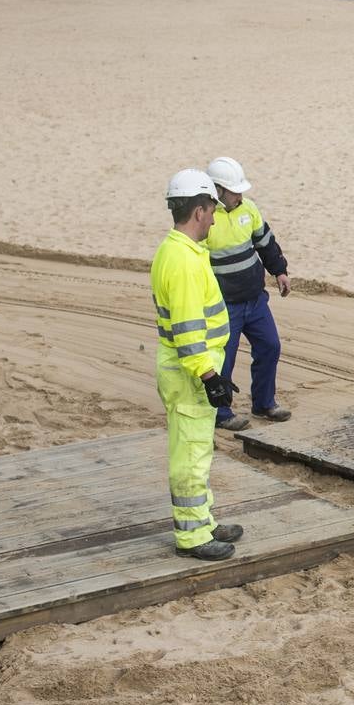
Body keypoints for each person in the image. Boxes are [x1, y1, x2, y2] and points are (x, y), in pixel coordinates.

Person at [152, 169, 243, 561]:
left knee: (199, 449)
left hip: (188, 368)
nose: (214, 220)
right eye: (212, 211)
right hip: (191, 371)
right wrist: (209, 376)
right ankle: (192, 536)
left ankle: (203, 521)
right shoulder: (184, 262)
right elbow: (189, 330)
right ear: (200, 211)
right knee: (190, 453)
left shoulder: (175, 251)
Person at [203, 157, 292, 430]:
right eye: (234, 191)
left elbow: (265, 242)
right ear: (217, 190)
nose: (239, 196)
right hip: (224, 306)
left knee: (270, 346)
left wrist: (279, 271)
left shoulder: (249, 209)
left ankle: (264, 403)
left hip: (255, 300)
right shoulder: (205, 219)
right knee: (223, 360)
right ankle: (221, 414)